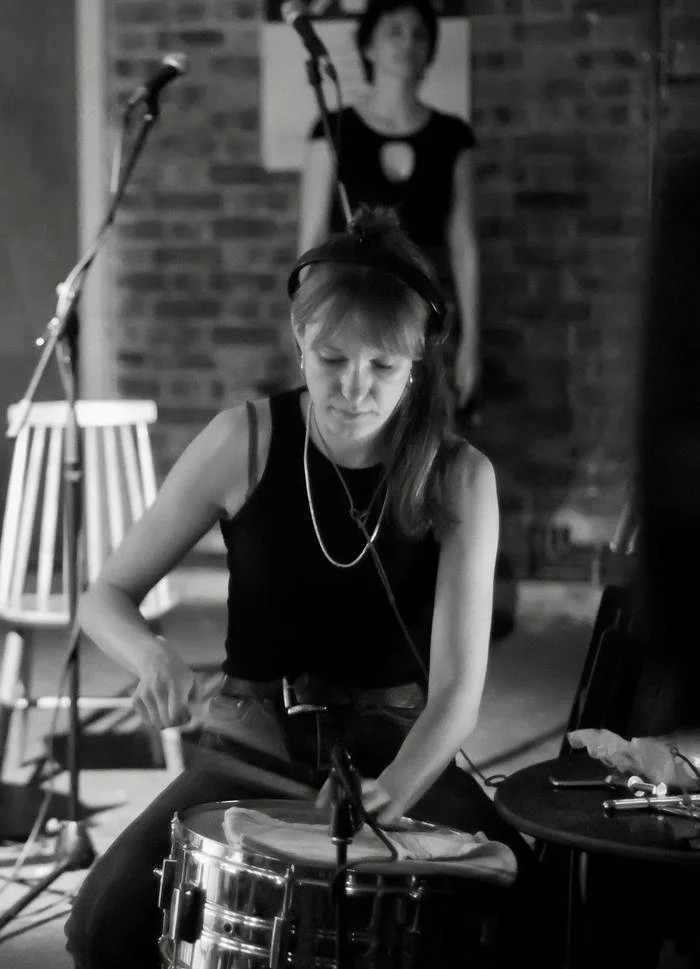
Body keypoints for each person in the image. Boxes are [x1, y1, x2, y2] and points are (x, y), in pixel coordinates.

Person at [64, 206, 536, 969]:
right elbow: (106, 593)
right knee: (106, 925)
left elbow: (456, 693)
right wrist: (151, 656)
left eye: (383, 366)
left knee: (525, 912)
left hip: (400, 747)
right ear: (299, 339)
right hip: (251, 744)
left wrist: (392, 791)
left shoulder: (460, 475)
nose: (354, 388)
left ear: (419, 359)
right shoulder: (243, 439)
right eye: (331, 358)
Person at [298, 0, 479, 413]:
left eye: (419, 34)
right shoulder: (333, 129)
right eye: (394, 31)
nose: (407, 42)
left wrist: (471, 339)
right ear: (368, 46)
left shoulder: (453, 136)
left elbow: (464, 243)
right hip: (348, 309)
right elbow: (311, 236)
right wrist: (306, 326)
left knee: (429, 425)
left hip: (426, 311)